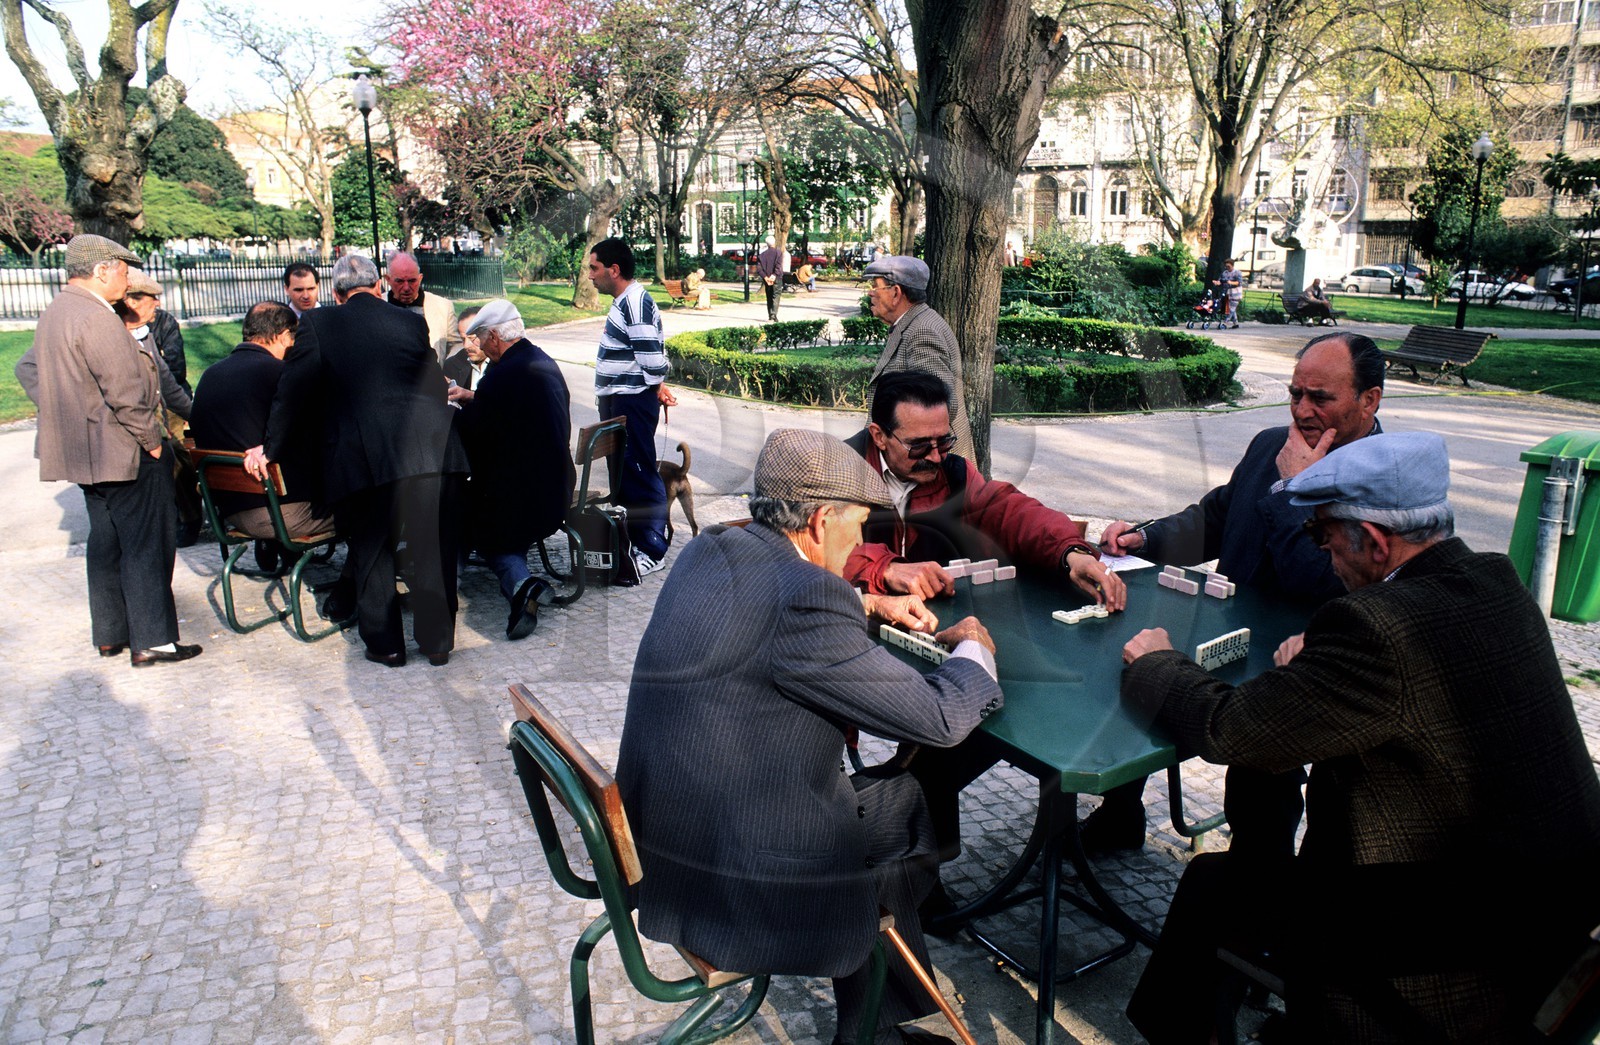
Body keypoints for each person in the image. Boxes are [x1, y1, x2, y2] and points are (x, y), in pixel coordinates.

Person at [1120, 432, 1600, 1045]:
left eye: (1323, 537)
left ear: (1374, 542)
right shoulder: (1494, 584)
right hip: (1544, 937)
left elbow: (1232, 731)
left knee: (1215, 888)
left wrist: (1158, 663)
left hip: (1439, 974)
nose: (1323, 555)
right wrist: (1322, 671)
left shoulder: (1379, 628)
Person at [617, 427, 1004, 1045]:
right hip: (734, 879)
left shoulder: (711, 549)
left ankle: (881, 1018)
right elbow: (939, 719)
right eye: (857, 528)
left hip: (665, 846)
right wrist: (975, 653)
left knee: (889, 809)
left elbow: (771, 610)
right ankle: (873, 1029)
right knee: (903, 805)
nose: (860, 545)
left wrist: (869, 604)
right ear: (821, 522)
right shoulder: (805, 600)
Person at [1094, 332, 1387, 855]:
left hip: (1301, 656)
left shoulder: (1384, 480)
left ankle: (1256, 879)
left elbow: (1315, 578)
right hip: (1223, 629)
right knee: (1139, 668)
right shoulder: (1270, 444)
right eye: (1296, 393)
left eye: (1321, 398)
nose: (1302, 410)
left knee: (1262, 763)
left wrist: (1291, 490)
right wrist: (1147, 536)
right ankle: (1119, 814)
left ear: (1370, 400)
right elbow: (1217, 516)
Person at [843, 368, 1125, 880]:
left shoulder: (951, 471)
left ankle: (926, 849)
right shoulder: (836, 470)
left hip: (936, 636)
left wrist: (1072, 553)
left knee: (1091, 680)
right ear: (879, 436)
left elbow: (1010, 509)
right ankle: (918, 872)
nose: (935, 456)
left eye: (942, 440)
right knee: (938, 731)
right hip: (855, 641)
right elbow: (803, 550)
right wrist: (882, 568)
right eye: (919, 446)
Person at [248, 254, 464, 668]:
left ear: (334, 293)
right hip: (430, 447)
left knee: (372, 549)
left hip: (366, 455)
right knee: (431, 544)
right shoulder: (409, 321)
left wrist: (270, 447)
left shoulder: (316, 324)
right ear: (379, 286)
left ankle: (387, 646)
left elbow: (291, 394)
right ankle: (437, 644)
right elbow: (432, 384)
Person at [13, 234, 202, 666]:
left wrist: (70, 411)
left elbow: (44, 372)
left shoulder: (57, 312)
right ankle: (153, 640)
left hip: (86, 454)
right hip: (124, 452)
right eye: (121, 268)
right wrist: (153, 444)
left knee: (107, 540)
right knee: (146, 543)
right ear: (101, 270)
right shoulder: (97, 318)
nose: (126, 276)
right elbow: (126, 394)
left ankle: (111, 634)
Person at [446, 299, 574, 640]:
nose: (479, 347)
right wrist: (473, 398)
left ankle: (447, 589)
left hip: (524, 500)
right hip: (556, 488)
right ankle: (523, 584)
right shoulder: (539, 361)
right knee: (485, 516)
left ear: (494, 336)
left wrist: (447, 410)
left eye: (480, 339)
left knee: (457, 508)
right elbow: (510, 413)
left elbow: (476, 435)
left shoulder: (501, 375)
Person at [189, 301, 334, 542]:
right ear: (283, 335)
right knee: (371, 504)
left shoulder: (208, 376)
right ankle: (359, 575)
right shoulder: (282, 375)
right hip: (284, 513)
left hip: (231, 512)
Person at [587, 236, 674, 578]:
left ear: (614, 269)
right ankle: (635, 541)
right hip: (621, 401)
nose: (591, 276)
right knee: (625, 476)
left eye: (594, 268)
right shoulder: (625, 300)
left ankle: (652, 549)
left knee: (639, 474)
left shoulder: (634, 302)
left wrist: (655, 386)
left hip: (630, 403)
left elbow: (653, 362)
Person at [862, 256, 974, 462]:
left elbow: (939, 404)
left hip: (927, 467)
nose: (870, 292)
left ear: (896, 293)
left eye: (875, 286)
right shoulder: (917, 323)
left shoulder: (922, 331)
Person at [385, 251, 461, 363]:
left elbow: (456, 345)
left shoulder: (443, 307)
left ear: (420, 278)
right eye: (400, 281)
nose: (406, 287)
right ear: (388, 280)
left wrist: (447, 371)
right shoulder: (375, 305)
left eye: (412, 281)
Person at [443, 307, 489, 393]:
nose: (466, 346)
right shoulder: (452, 366)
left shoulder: (507, 366)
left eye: (472, 338)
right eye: (463, 339)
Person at [756, 235, 784, 321]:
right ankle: (773, 314)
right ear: (774, 242)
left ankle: (770, 314)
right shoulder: (779, 253)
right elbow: (778, 266)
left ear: (767, 244)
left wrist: (765, 277)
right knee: (776, 295)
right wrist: (774, 275)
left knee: (769, 296)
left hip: (767, 278)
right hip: (776, 278)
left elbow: (759, 269)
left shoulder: (761, 256)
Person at [1216, 258, 1243, 327]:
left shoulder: (1237, 273)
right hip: (1228, 292)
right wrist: (1217, 283)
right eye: (1226, 266)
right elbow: (1221, 280)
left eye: (1229, 266)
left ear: (1232, 265)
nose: (1227, 267)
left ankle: (1226, 322)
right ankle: (1235, 323)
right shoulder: (1225, 273)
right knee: (1232, 308)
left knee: (1231, 308)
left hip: (1236, 293)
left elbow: (1239, 282)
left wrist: (1231, 282)